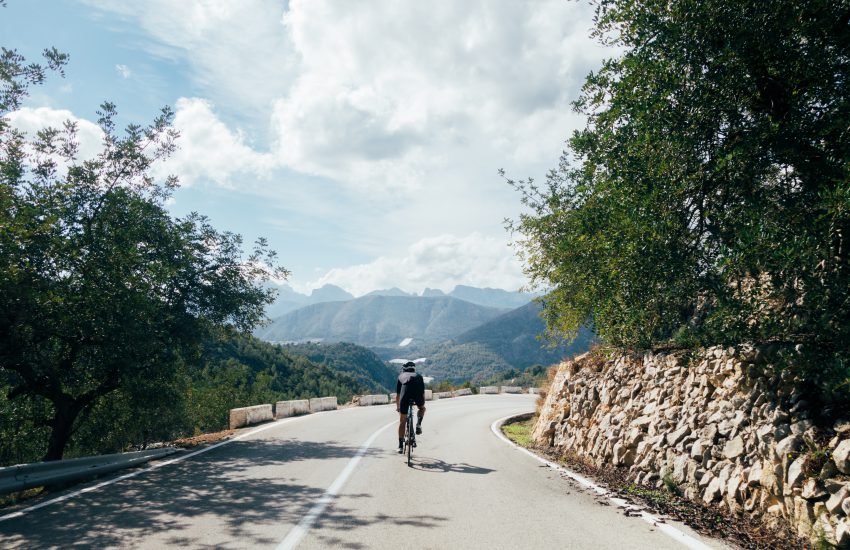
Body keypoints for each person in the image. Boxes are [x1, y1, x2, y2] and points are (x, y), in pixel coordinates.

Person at [396, 361, 426, 454]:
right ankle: (418, 424)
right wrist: (421, 404)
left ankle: (400, 446)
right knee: (422, 408)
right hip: (417, 395)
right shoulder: (419, 376)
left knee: (402, 420)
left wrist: (398, 407)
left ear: (404, 369)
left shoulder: (401, 376)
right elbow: (422, 393)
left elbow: (397, 395)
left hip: (405, 396)